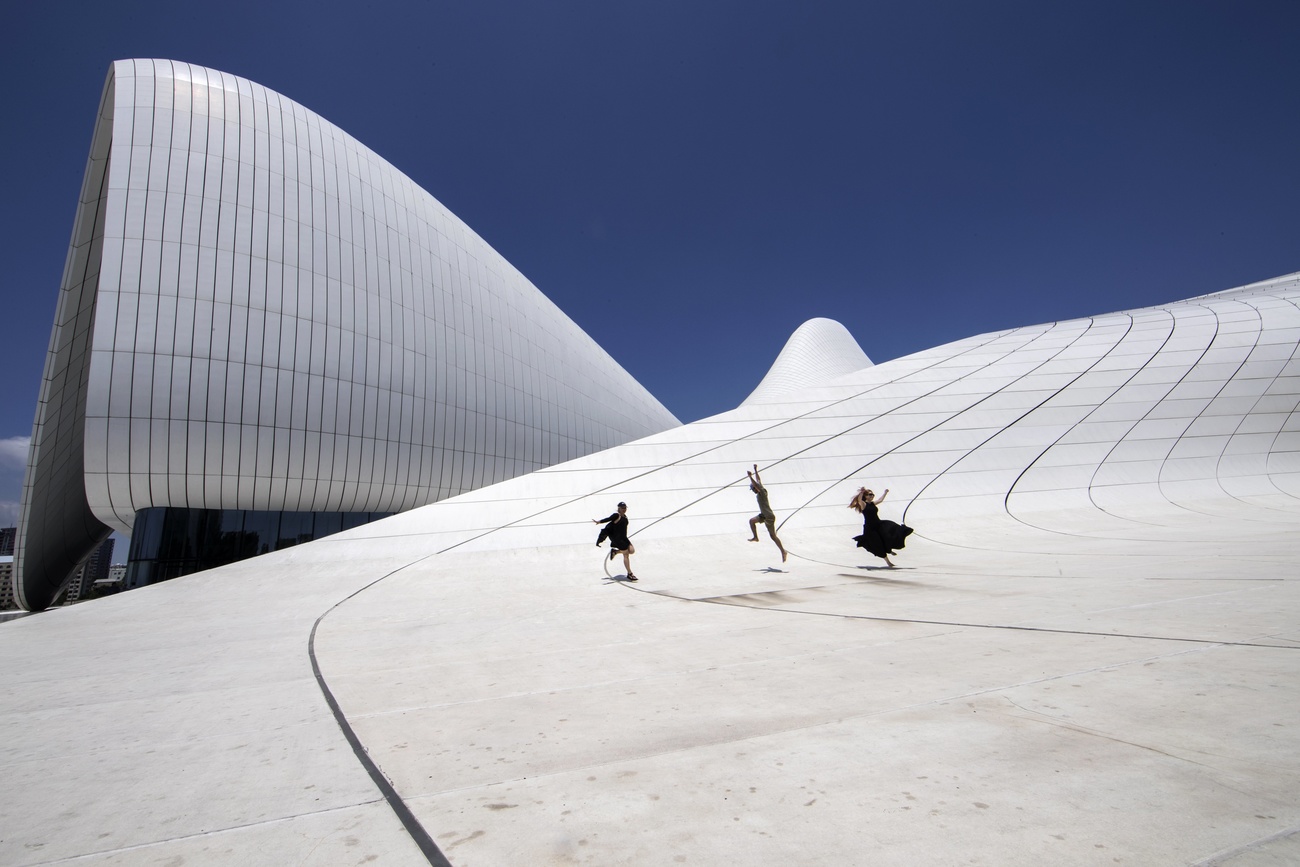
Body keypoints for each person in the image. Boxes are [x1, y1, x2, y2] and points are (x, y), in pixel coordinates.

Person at [849, 486, 912, 567]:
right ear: (866, 496)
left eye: (872, 495)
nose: (872, 496)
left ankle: (889, 549)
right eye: (870, 495)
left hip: (878, 524)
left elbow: (880, 500)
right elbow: (859, 500)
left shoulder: (872, 504)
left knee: (891, 530)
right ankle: (888, 562)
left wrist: (885, 492)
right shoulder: (864, 504)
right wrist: (861, 492)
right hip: (870, 528)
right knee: (878, 543)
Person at [746, 464, 787, 562]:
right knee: (752, 521)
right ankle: (756, 537)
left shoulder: (761, 492)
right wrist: (755, 470)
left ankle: (782, 551)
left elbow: (756, 484)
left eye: (753, 489)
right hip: (764, 515)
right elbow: (759, 481)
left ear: (756, 489)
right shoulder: (761, 490)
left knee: (772, 535)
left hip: (768, 516)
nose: (753, 491)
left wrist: (750, 477)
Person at [593, 501, 636, 581]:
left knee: (632, 550)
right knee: (626, 555)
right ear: (618, 508)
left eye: (625, 508)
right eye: (622, 508)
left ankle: (615, 552)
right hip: (618, 539)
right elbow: (608, 519)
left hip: (624, 538)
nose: (624, 509)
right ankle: (629, 574)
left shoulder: (625, 517)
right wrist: (599, 521)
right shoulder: (616, 515)